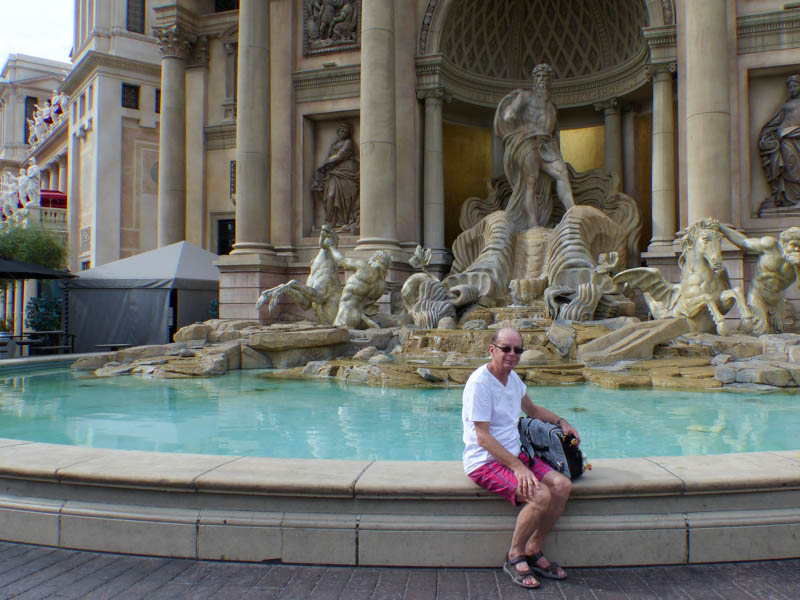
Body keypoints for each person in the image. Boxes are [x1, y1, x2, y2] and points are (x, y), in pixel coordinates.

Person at [462, 327, 580, 589]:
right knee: (541, 495)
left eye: (517, 350)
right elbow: (482, 437)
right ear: (492, 350)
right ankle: (514, 555)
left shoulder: (513, 379)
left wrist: (562, 422)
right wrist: (518, 468)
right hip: (485, 461)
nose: (512, 354)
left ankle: (534, 547)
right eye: (506, 348)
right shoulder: (480, 383)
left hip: (514, 455)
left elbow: (532, 409)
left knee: (562, 486)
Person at [494, 63, 574, 230]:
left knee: (562, 173)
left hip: (546, 145)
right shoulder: (525, 97)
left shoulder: (552, 106)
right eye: (538, 77)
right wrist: (517, 120)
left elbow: (553, 131)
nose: (542, 80)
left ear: (550, 81)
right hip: (527, 142)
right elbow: (509, 115)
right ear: (533, 80)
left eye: (545, 77)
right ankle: (532, 223)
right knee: (531, 181)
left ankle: (572, 213)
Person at [719, 223, 800, 334]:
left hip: (777, 299)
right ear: (784, 243)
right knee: (757, 331)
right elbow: (743, 243)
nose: (796, 249)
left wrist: (798, 267)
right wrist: (721, 228)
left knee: (776, 333)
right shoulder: (769, 245)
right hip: (759, 294)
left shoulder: (798, 262)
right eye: (794, 245)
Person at [323, 236, 390, 329]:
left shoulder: (363, 266)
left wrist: (331, 247)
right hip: (361, 318)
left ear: (375, 259)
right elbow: (368, 306)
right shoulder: (381, 285)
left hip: (346, 313)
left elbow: (341, 261)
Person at [758, 74, 800, 209]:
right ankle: (793, 199)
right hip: (787, 141)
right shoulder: (786, 106)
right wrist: (768, 136)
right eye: (790, 87)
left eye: (795, 85)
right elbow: (773, 124)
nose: (792, 89)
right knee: (791, 167)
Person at [312, 123, 360, 231]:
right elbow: (330, 156)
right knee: (331, 195)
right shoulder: (334, 144)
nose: (343, 133)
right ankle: (330, 221)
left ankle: (344, 221)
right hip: (333, 173)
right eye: (341, 131)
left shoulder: (349, 143)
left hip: (347, 173)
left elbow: (340, 156)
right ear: (338, 132)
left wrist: (325, 164)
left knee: (347, 199)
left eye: (346, 132)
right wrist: (325, 167)